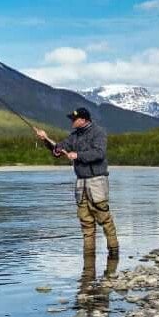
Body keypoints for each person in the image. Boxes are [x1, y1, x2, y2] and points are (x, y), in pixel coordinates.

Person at [34, 108, 119, 258]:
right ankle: (89, 257)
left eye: (74, 119)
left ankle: (114, 252)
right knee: (86, 224)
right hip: (81, 184)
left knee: (104, 219)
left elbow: (99, 153)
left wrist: (77, 155)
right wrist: (46, 139)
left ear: (83, 120)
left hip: (97, 181)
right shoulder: (74, 136)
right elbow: (59, 149)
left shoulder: (99, 132)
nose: (72, 121)